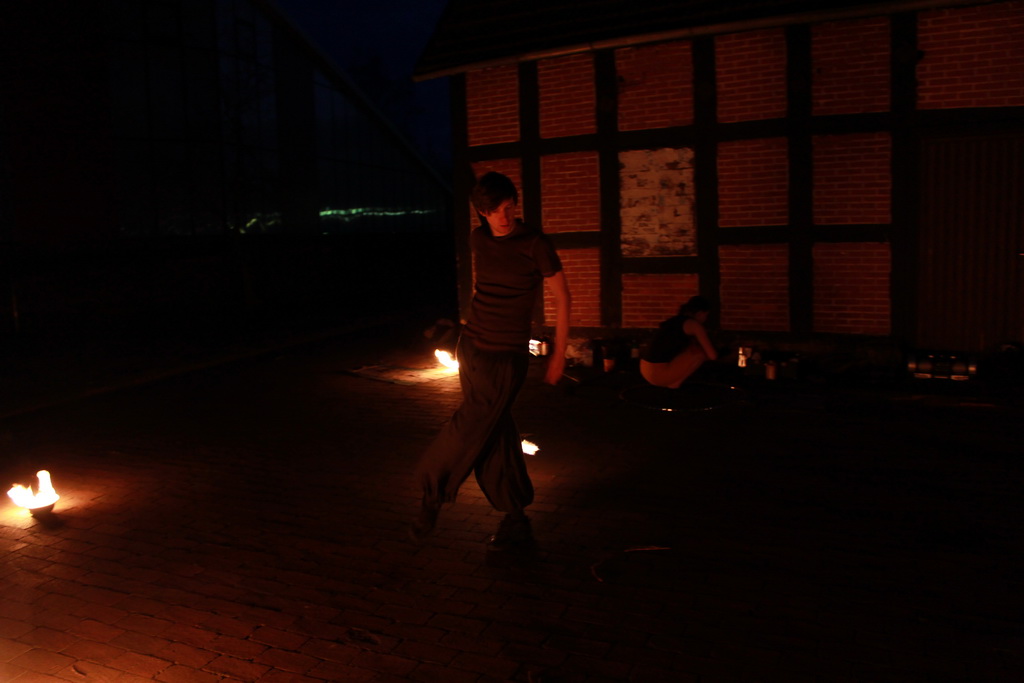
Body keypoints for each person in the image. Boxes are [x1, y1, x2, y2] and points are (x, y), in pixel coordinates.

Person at [410, 172, 571, 549]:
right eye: (495, 210)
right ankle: (515, 513)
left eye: (509, 207)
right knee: (493, 427)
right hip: (471, 348)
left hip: (505, 356)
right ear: (482, 213)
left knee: (471, 423)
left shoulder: (534, 244)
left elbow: (563, 297)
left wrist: (559, 354)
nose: (504, 216)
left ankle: (432, 494)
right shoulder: (478, 238)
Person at [640, 296, 718, 389]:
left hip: (644, 368)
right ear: (700, 313)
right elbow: (712, 355)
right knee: (699, 353)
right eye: (706, 315)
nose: (706, 319)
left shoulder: (674, 321)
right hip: (658, 373)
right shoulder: (693, 324)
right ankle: (675, 383)